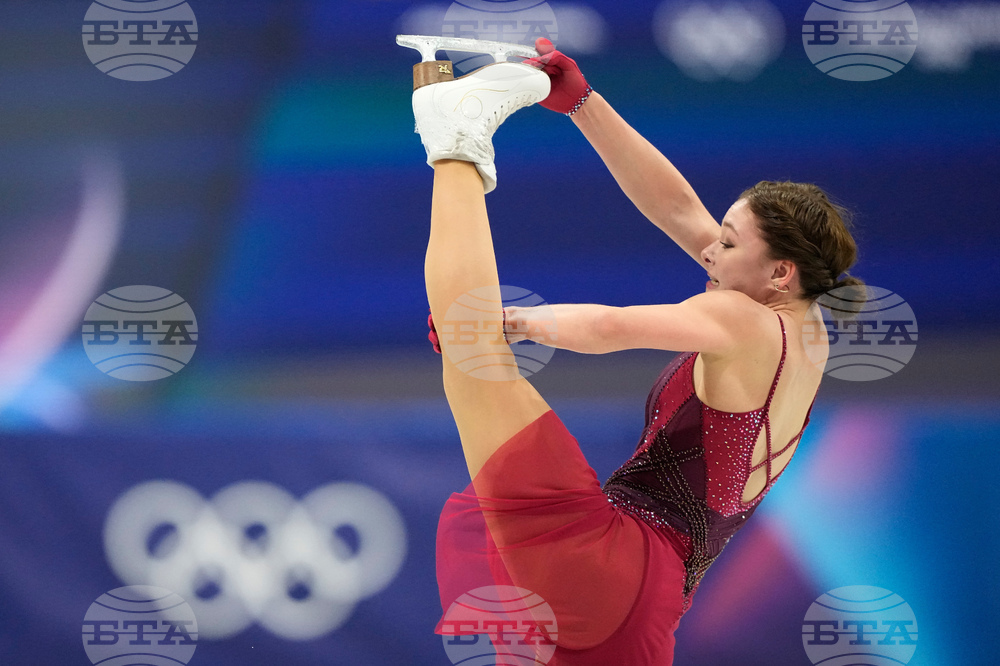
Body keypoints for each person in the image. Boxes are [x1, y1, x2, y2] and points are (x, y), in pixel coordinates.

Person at [412, 37, 862, 665]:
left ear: (781, 272)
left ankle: (454, 138)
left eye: (728, 244)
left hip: (615, 560)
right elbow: (677, 209)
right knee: (472, 352)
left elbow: (612, 329)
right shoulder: (804, 330)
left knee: (474, 352)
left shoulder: (739, 316)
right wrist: (583, 104)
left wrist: (512, 321)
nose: (711, 250)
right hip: (645, 605)